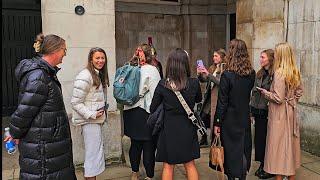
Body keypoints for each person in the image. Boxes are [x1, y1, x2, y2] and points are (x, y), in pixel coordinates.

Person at [6, 33, 76, 179]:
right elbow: (24, 111)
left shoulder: (45, 73)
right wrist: (14, 133)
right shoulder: (39, 76)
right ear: (55, 50)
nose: (65, 54)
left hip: (48, 144)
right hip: (43, 148)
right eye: (64, 50)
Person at [150, 48, 202, 180]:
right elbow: (198, 99)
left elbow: (152, 108)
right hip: (187, 128)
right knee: (190, 164)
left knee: (168, 165)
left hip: (169, 129)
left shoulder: (163, 84)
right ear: (185, 63)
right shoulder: (194, 83)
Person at [259, 43, 303, 180]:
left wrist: (265, 93)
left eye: (277, 53)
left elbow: (278, 98)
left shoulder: (279, 73)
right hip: (290, 112)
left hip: (279, 114)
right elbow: (300, 91)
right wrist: (291, 102)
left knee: (278, 150)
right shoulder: (295, 70)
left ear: (281, 55)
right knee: (289, 147)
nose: (275, 55)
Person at [213, 39, 255, 180]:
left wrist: (217, 123)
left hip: (229, 120)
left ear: (231, 53)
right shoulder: (251, 74)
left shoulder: (227, 75)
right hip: (243, 117)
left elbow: (222, 102)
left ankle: (232, 177)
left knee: (230, 152)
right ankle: (242, 175)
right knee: (243, 149)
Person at [123, 43, 161, 180]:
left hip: (130, 111)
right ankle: (149, 176)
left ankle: (134, 173)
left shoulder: (129, 67)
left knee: (135, 144)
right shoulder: (152, 70)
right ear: (151, 56)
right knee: (148, 146)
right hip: (146, 112)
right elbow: (156, 93)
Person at [70, 47, 109, 179]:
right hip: (89, 122)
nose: (100, 60)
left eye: (102, 58)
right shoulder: (85, 75)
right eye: (97, 58)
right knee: (93, 158)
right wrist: (91, 114)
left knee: (94, 157)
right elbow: (75, 102)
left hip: (94, 122)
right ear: (91, 60)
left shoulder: (98, 74)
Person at [249, 49, 275, 179]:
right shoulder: (259, 73)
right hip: (257, 110)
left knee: (266, 140)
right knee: (258, 140)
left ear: (270, 59)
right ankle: (262, 164)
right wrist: (251, 111)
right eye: (260, 57)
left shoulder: (274, 75)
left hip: (267, 112)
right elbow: (253, 92)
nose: (260, 59)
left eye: (263, 57)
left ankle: (267, 166)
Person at [197, 48, 226, 146]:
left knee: (213, 119)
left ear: (222, 57)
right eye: (213, 56)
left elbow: (220, 82)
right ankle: (204, 137)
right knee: (202, 117)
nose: (214, 58)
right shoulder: (212, 67)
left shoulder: (224, 68)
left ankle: (215, 141)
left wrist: (208, 74)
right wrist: (200, 74)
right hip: (209, 97)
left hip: (217, 97)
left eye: (216, 56)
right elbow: (204, 80)